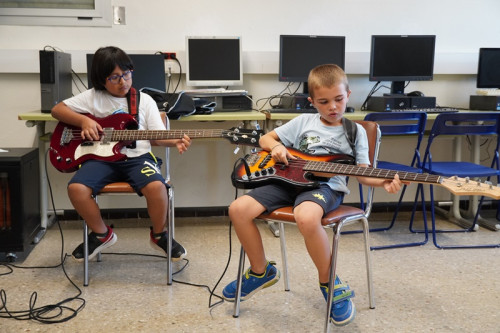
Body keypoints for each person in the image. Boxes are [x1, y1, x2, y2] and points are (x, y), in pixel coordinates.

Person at [222, 64, 403, 326]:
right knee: (238, 209)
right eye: (324, 101)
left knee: (306, 216)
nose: (333, 107)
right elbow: (265, 140)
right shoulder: (303, 122)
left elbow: (363, 173)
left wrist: (382, 182)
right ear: (312, 102)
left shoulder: (355, 132)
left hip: (326, 188)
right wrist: (276, 148)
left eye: (339, 99)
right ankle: (261, 271)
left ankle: (329, 282)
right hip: (287, 182)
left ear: (348, 94)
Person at [51, 46, 191, 263]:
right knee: (76, 188)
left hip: (138, 159)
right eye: (114, 77)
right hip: (100, 160)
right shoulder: (92, 97)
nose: (122, 81)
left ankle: (159, 235)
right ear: (101, 79)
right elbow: (57, 110)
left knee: (157, 187)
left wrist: (176, 141)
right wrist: (84, 121)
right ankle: (101, 234)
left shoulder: (144, 101)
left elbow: (157, 137)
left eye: (126, 74)